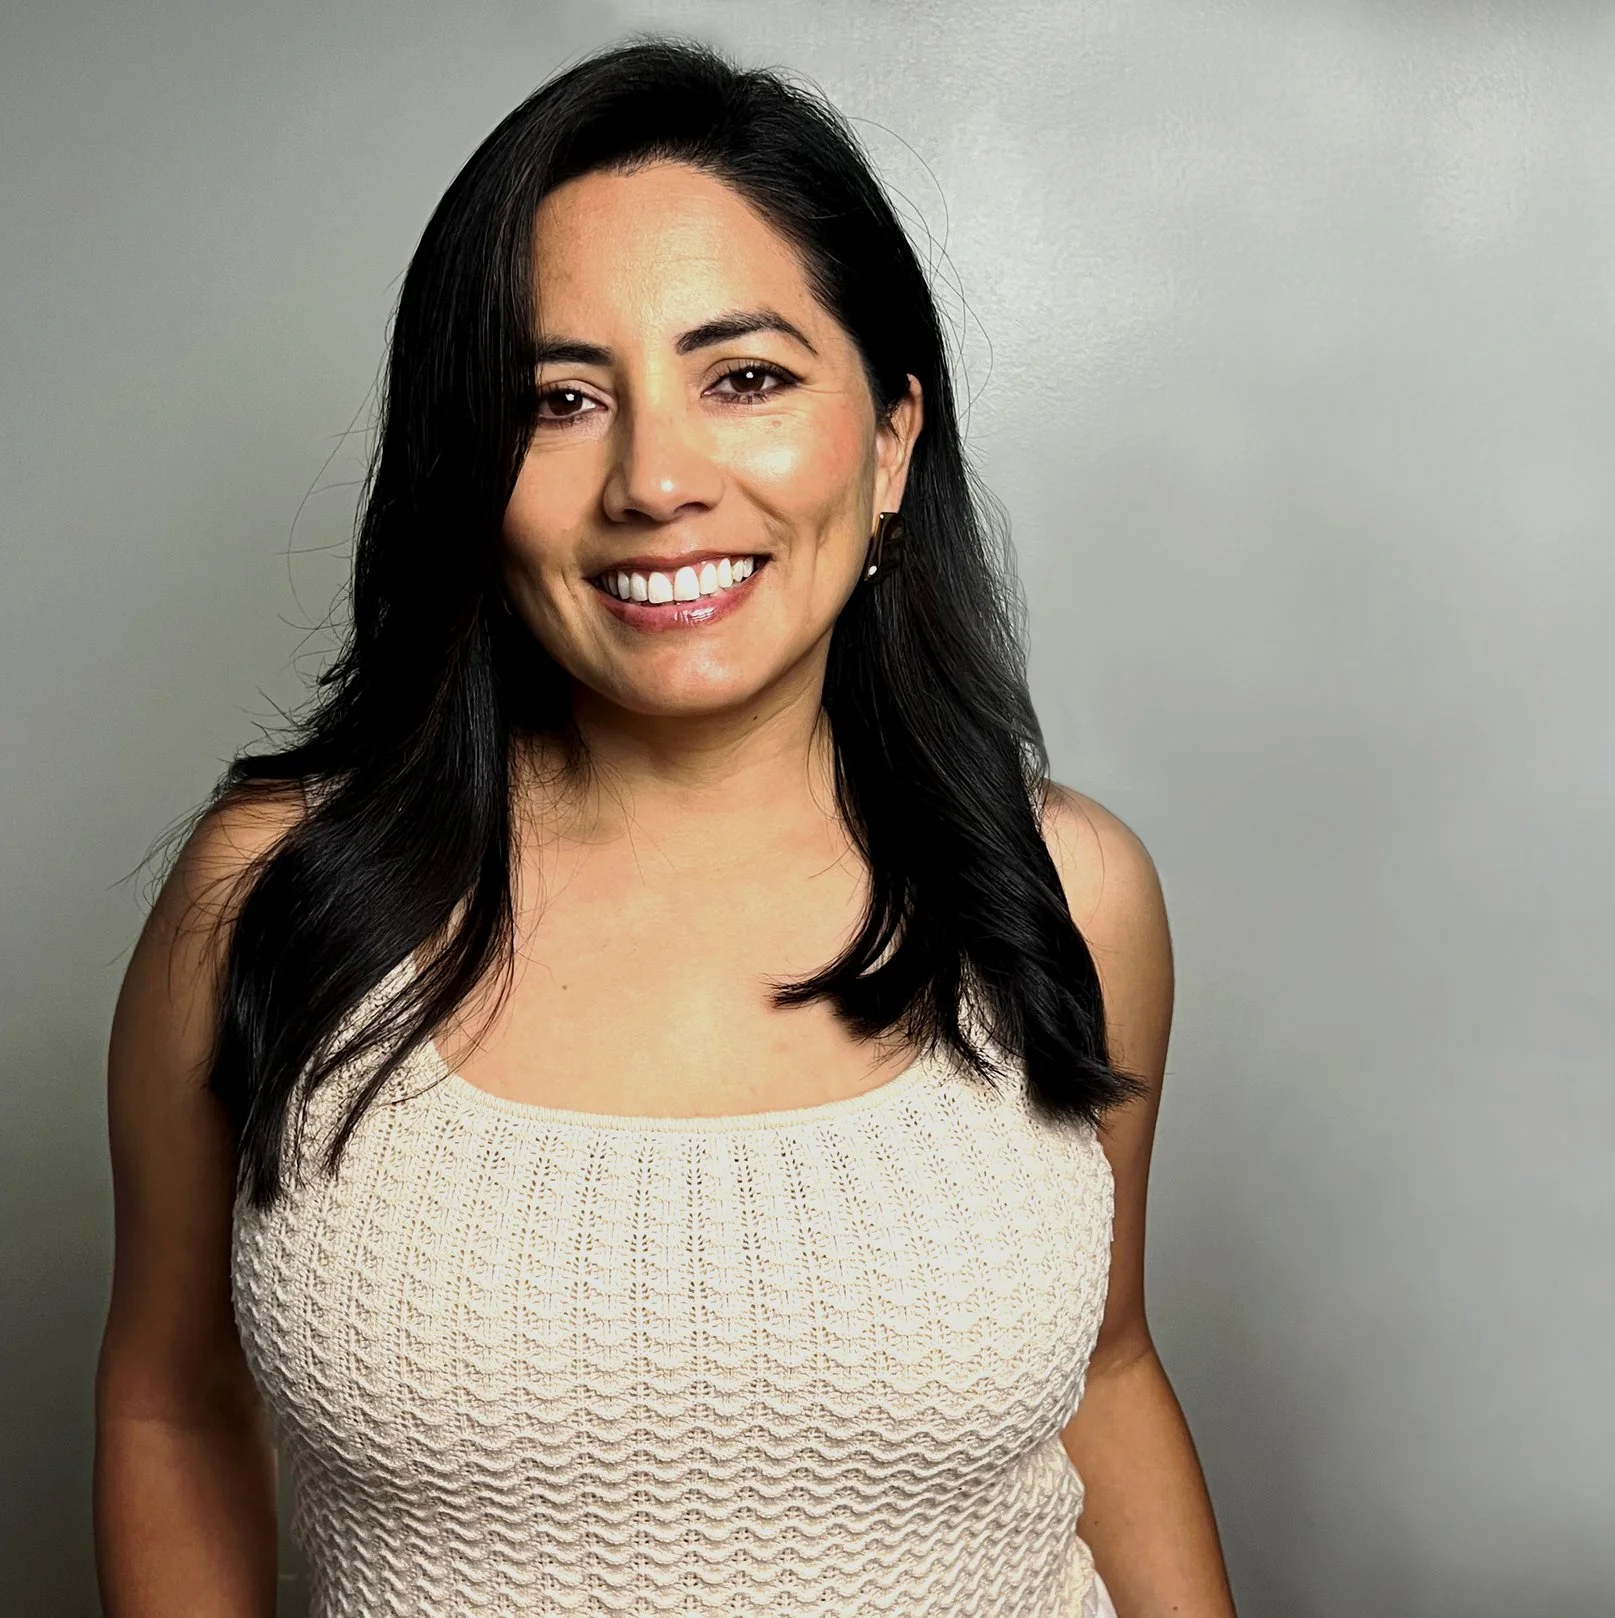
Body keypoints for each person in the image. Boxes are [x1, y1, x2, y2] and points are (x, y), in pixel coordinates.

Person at [92, 38, 1234, 1617]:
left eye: (744, 378)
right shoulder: (274, 895)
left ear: (891, 440)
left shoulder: (1067, 892)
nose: (655, 478)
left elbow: (1107, 1371)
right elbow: (170, 1403)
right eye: (560, 400)